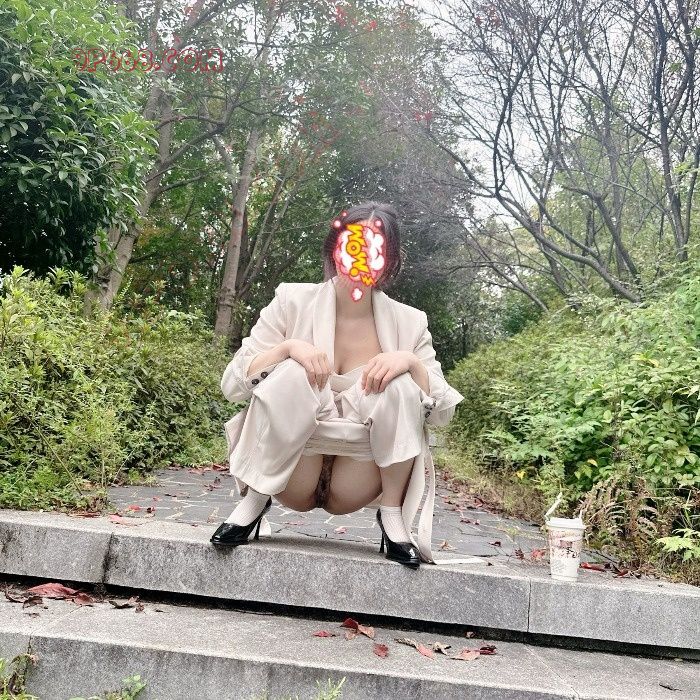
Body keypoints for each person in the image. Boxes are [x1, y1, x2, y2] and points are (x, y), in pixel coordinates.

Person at [211, 201, 465, 568]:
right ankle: (254, 500)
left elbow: (442, 415)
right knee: (292, 369)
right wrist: (287, 349)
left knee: (401, 382)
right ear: (335, 247)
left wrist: (409, 363)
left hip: (358, 476)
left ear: (390, 259)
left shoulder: (410, 323)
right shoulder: (291, 300)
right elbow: (233, 385)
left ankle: (393, 516)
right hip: (291, 473)